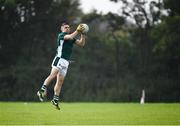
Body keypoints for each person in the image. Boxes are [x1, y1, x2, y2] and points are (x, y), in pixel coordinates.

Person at [37, 22, 86, 110]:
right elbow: (70, 36)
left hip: (66, 62)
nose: (67, 28)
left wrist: (83, 34)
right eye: (65, 27)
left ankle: (55, 99)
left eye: (68, 27)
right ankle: (41, 90)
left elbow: (82, 44)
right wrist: (77, 30)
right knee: (53, 75)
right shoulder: (61, 35)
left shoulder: (71, 38)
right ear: (62, 29)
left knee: (60, 81)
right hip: (59, 59)